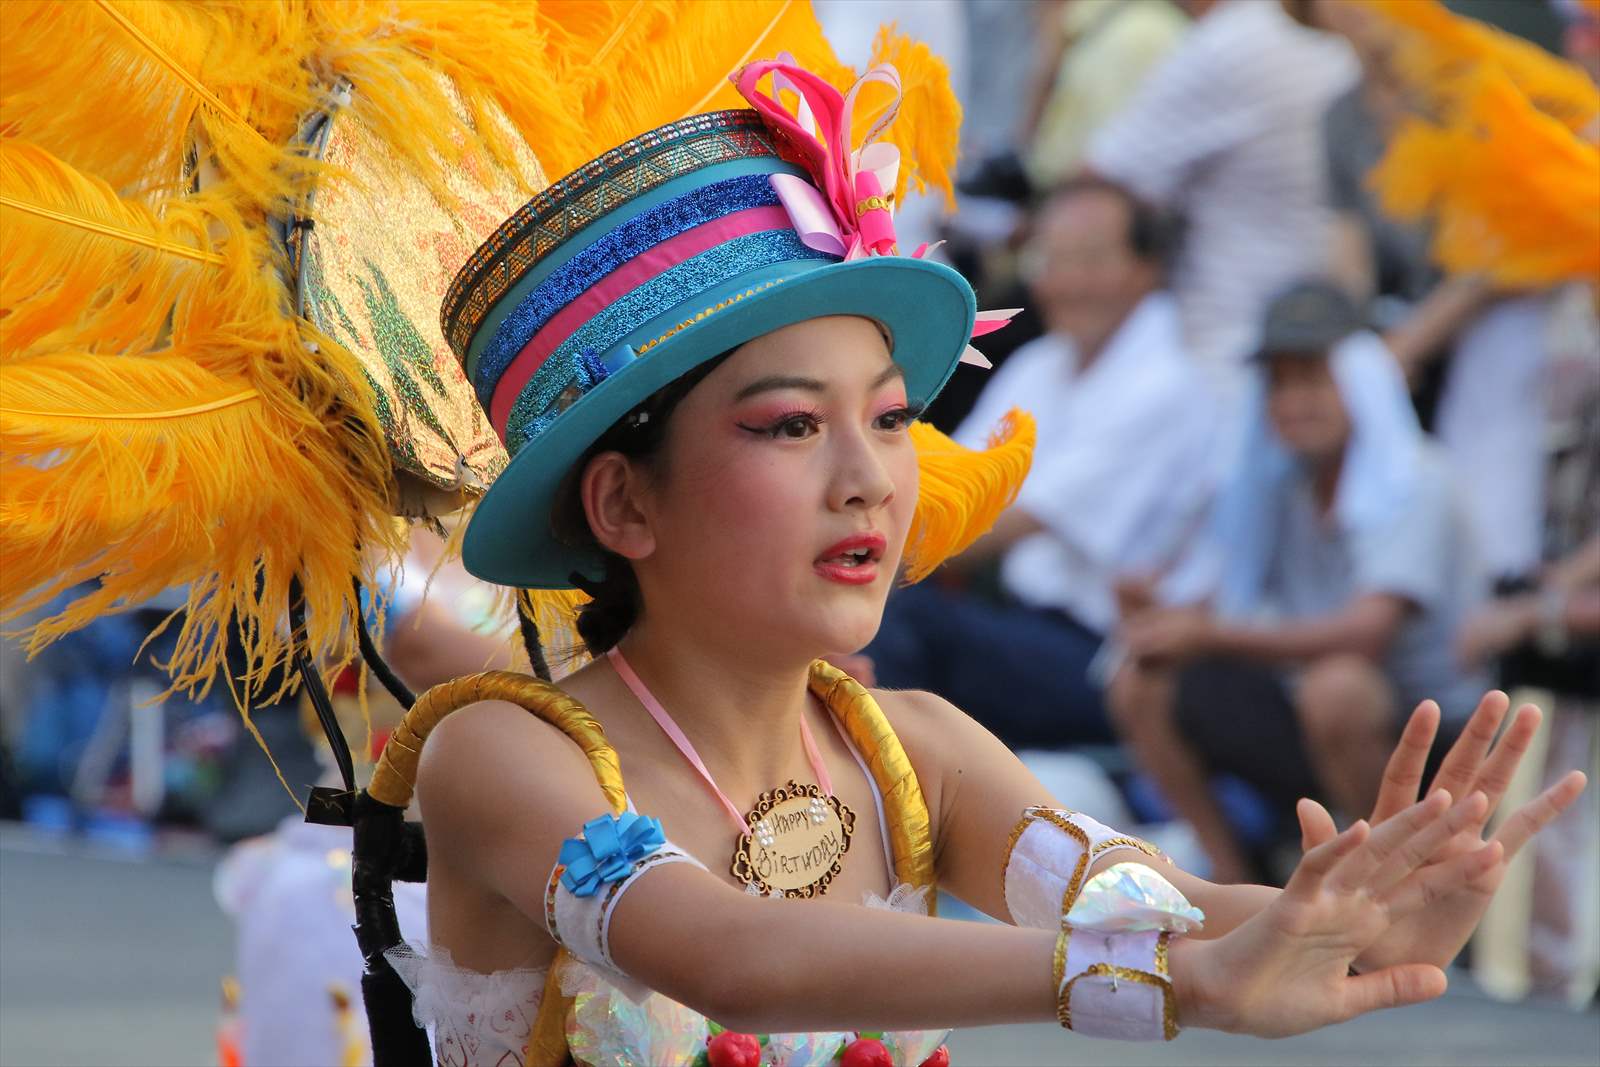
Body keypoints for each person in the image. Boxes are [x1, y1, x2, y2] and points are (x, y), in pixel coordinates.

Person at [377, 56, 1590, 1065]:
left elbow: (1158, 907)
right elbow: (724, 956)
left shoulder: (914, 749)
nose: (868, 475)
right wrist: (1172, 983)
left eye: (890, 416)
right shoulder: (504, 752)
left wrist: (1359, 922)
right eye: (790, 424)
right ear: (624, 500)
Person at [1107, 281, 1489, 885]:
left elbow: (1367, 634)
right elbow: (1223, 599)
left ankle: (1385, 891)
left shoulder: (1416, 478)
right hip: (1316, 711)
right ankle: (1229, 886)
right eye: (1279, 384)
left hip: (1431, 731)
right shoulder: (1284, 483)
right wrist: (1155, 613)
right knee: (1141, 682)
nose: (1292, 402)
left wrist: (1207, 634)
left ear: (1360, 383)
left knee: (1338, 688)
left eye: (1312, 380)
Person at [866, 176, 1215, 751]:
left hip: (1107, 657)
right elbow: (950, 480)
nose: (1066, 282)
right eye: (1050, 260)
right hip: (1017, 624)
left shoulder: (1167, 381)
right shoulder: (1042, 361)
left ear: (1147, 268)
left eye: (1090, 261)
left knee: (894, 623)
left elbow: (999, 522)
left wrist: (861, 553)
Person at [1085, 0, 1356, 398]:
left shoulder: (1238, 41)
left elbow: (1100, 178)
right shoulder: (1334, 41)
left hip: (1229, 353)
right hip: (1311, 354)